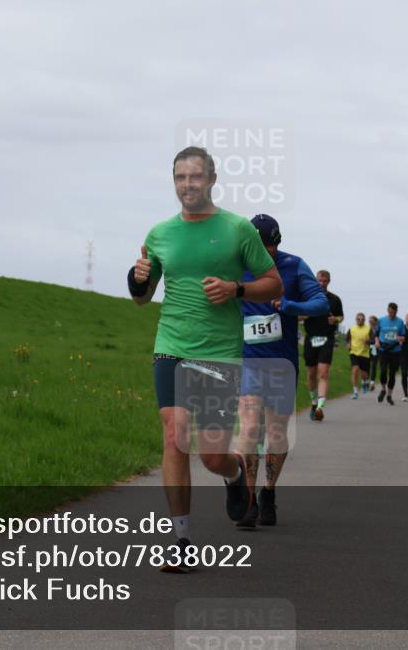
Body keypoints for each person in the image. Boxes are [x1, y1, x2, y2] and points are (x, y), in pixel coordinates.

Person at [129, 146, 282, 571]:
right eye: (180, 178)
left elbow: (273, 283)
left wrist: (237, 289)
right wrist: (137, 278)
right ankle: (181, 540)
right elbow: (142, 298)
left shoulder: (237, 229)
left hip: (219, 352)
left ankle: (233, 474)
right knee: (174, 434)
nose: (188, 185)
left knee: (211, 455)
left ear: (212, 179)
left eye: (195, 177)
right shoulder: (160, 233)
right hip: (171, 343)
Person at [236, 215, 328, 528]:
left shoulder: (294, 266)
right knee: (249, 429)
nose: (270, 251)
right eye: (264, 246)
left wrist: (290, 305)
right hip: (248, 362)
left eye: (274, 244)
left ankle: (268, 492)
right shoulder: (234, 266)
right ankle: (247, 500)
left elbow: (320, 304)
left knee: (276, 433)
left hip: (282, 363)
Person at [302, 271, 343, 420]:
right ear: (315, 280)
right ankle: (314, 403)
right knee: (311, 374)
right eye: (320, 280)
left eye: (325, 281)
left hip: (327, 338)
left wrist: (335, 320)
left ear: (329, 281)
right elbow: (298, 315)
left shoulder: (334, 299)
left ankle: (320, 407)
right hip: (311, 338)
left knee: (324, 372)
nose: (322, 283)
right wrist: (304, 314)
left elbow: (341, 316)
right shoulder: (307, 297)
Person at [375, 302, 406, 406]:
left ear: (396, 312)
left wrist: (401, 338)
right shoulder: (381, 320)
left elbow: (403, 336)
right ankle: (383, 389)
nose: (391, 314)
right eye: (390, 312)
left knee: (392, 373)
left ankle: (389, 395)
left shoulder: (400, 322)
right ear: (387, 310)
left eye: (393, 312)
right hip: (383, 349)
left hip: (395, 350)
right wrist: (377, 342)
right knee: (383, 371)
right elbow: (376, 333)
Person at [346, 312, 373, 399]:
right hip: (354, 352)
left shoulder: (368, 329)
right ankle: (355, 392)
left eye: (362, 319)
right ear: (356, 320)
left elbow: (373, 340)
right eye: (358, 319)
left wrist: (368, 341)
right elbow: (347, 339)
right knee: (355, 370)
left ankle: (365, 383)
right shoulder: (352, 329)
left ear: (364, 320)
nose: (360, 321)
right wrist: (348, 344)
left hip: (364, 354)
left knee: (365, 374)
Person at [367, 315, 380, 391]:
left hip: (376, 349)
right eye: (369, 321)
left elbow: (379, 339)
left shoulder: (378, 329)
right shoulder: (367, 329)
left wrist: (371, 341)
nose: (370, 322)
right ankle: (367, 381)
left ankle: (372, 382)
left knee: (374, 366)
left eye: (371, 321)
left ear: (375, 321)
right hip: (368, 348)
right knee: (367, 365)